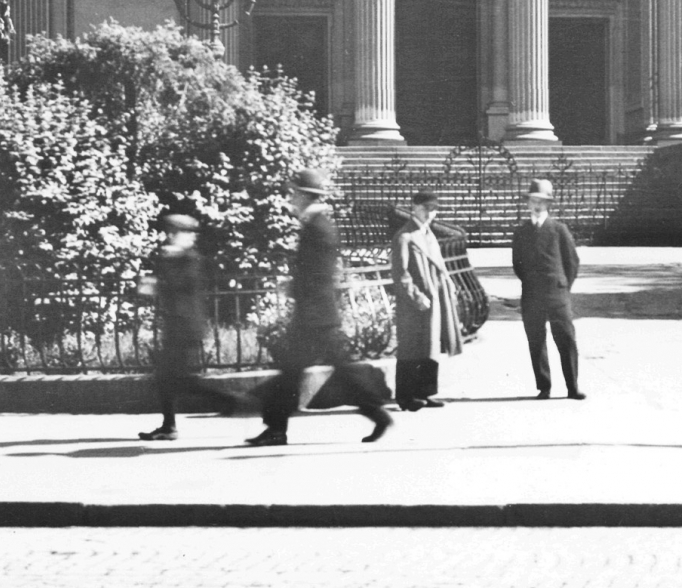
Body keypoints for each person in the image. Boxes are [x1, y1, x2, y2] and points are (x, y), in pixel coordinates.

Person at [246, 169, 393, 448]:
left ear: (303, 195)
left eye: (293, 194)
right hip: (316, 312)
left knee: (319, 372)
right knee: (299, 373)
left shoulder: (318, 228)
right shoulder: (315, 225)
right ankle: (277, 428)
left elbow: (319, 275)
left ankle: (376, 413)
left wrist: (294, 288)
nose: (291, 199)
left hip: (316, 314)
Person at [137, 213, 244, 441]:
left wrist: (157, 281)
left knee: (181, 380)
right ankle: (169, 426)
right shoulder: (174, 257)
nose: (188, 238)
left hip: (185, 328)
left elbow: (177, 287)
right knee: (166, 378)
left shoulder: (189, 259)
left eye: (186, 233)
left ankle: (231, 400)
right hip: (177, 326)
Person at [390, 188, 462, 411]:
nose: (430, 214)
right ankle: (406, 397)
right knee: (411, 348)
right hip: (415, 303)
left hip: (434, 298)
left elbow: (440, 266)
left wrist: (449, 286)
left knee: (430, 346)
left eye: (434, 210)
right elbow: (401, 274)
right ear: (415, 207)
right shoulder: (405, 236)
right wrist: (416, 296)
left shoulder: (428, 234)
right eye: (426, 209)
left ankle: (426, 392)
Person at [511, 178, 583, 400]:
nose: (537, 205)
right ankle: (544, 386)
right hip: (532, 294)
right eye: (534, 200)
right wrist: (531, 283)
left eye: (542, 201)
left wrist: (562, 286)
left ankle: (572, 387)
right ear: (528, 203)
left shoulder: (558, 229)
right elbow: (518, 264)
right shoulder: (521, 232)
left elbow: (572, 262)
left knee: (566, 338)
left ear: (549, 204)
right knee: (536, 340)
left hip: (557, 293)